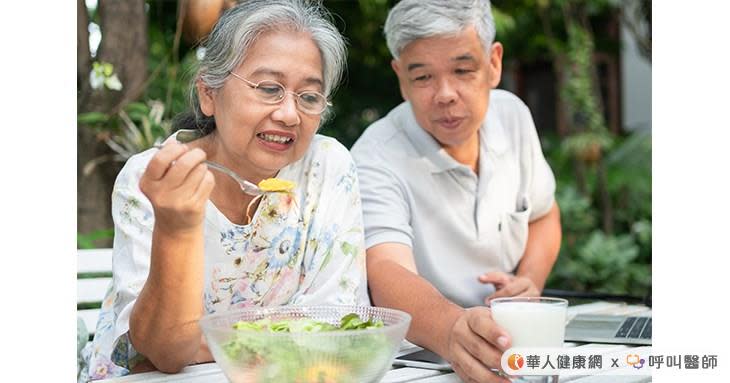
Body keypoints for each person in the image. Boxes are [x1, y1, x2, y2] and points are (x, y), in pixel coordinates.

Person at [79, 1, 369, 381]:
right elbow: (164, 352)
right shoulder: (153, 179)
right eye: (269, 89)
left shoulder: (329, 166)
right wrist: (176, 226)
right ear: (209, 94)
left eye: (309, 96)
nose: (289, 114)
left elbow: (335, 326)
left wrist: (208, 339)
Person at [350, 1, 562, 382]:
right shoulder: (375, 156)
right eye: (423, 77)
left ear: (493, 64)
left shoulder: (512, 116)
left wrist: (529, 284)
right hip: (422, 358)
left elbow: (544, 214)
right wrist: (452, 330)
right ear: (400, 78)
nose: (445, 94)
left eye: (463, 70)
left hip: (515, 344)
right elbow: (384, 269)